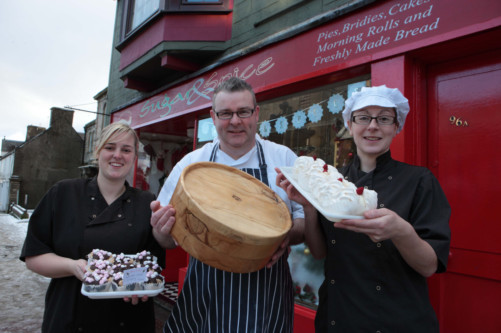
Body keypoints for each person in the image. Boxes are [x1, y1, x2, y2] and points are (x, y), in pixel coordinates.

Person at [276, 85, 451, 332]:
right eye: (363, 117)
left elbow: (429, 266)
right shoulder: (333, 179)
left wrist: (400, 231)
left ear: (396, 126)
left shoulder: (420, 181)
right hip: (337, 316)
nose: (372, 126)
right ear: (350, 123)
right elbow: (319, 253)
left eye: (384, 119)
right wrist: (309, 206)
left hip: (397, 320)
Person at [150, 77, 305, 332]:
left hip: (266, 295)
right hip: (205, 295)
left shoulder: (283, 159)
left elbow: (302, 221)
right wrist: (160, 229)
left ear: (256, 113)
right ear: (213, 117)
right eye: (225, 113)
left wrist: (286, 234)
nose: (235, 121)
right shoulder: (191, 165)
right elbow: (167, 240)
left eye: (243, 111)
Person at [20, 122, 165, 333]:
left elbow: (153, 264)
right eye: (110, 147)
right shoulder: (63, 193)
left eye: (126, 150)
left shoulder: (146, 202)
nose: (117, 155)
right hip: (69, 316)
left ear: (134, 157)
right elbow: (34, 257)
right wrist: (73, 266)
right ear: (98, 152)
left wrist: (141, 285)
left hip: (130, 318)